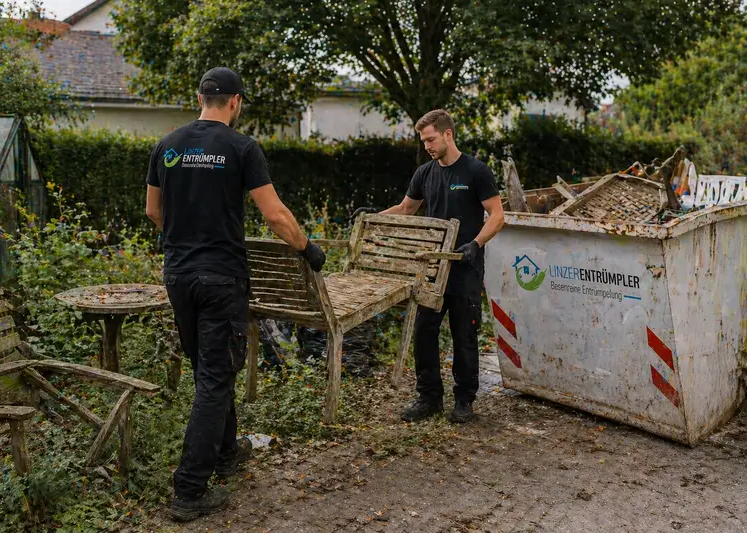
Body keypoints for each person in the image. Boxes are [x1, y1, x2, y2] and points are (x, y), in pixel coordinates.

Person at [145, 67, 326, 522]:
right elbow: (276, 217)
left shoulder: (166, 145)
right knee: (215, 378)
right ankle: (189, 491)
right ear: (237, 102)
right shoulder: (241, 148)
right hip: (221, 278)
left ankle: (226, 453)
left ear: (200, 97)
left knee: (208, 370)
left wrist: (187, 239)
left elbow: (152, 211)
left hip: (179, 275)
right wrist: (308, 248)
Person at [352, 109, 504, 424]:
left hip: (465, 267)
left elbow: (497, 216)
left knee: (464, 335)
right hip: (432, 270)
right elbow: (407, 208)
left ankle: (464, 401)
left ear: (448, 134)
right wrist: (373, 218)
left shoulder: (476, 171)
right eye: (424, 141)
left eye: (431, 139)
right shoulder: (425, 173)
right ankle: (429, 398)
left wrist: (475, 244)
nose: (427, 147)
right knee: (424, 331)